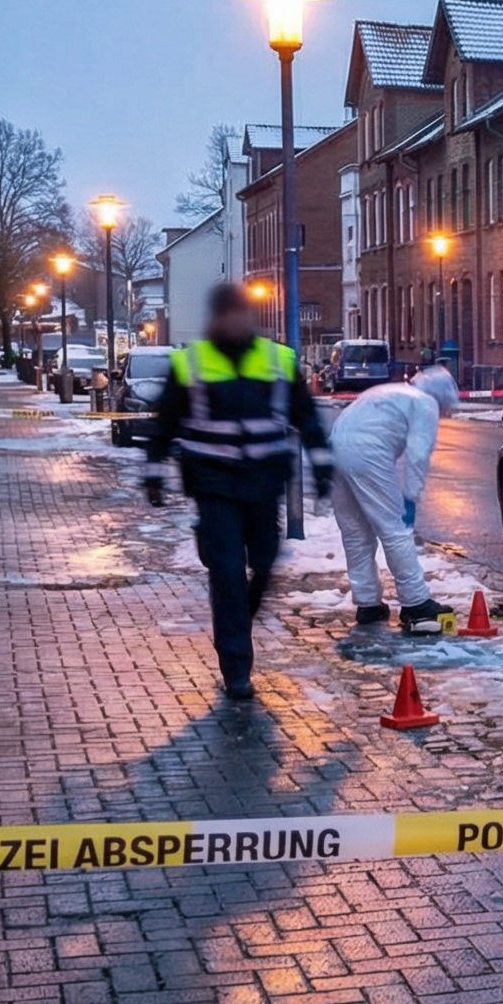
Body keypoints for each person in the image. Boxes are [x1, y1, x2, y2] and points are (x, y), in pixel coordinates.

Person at [143, 282, 332, 702]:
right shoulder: (191, 362)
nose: (234, 320)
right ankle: (236, 668)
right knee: (227, 572)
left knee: (264, 564)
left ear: (249, 316)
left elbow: (307, 415)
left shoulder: (278, 359)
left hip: (264, 484)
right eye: (226, 313)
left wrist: (322, 463)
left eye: (240, 312)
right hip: (214, 486)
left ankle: (237, 619)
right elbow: (165, 421)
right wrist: (153, 471)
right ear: (214, 319)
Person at [331, 363, 458, 632]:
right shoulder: (425, 404)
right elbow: (418, 455)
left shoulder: (388, 391)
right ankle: (416, 602)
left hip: (335, 449)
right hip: (367, 453)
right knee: (395, 530)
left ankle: (368, 604)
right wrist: (410, 496)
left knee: (355, 534)